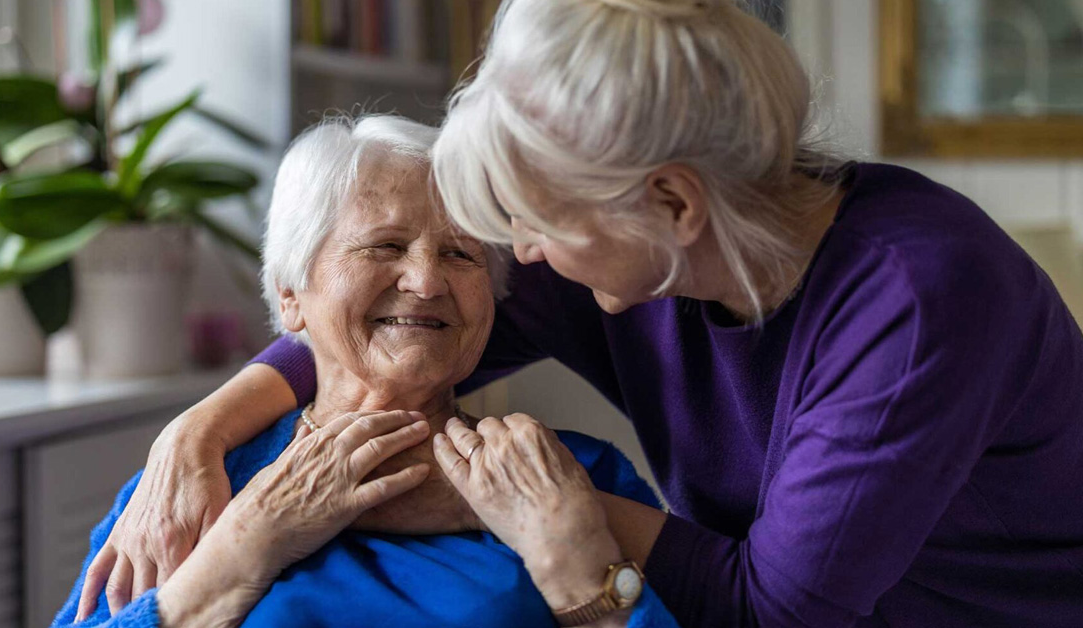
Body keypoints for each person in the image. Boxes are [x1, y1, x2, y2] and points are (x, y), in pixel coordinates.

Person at [81, 1, 1083, 626]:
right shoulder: (202, 492)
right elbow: (385, 324)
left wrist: (535, 522)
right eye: (387, 245)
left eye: (524, 226)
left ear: (675, 204)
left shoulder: (916, 301)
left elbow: (772, 611)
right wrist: (200, 434)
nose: (517, 260)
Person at [62, 114, 675, 628]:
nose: (427, 281)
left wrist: (578, 570)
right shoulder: (194, 488)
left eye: (460, 254)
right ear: (291, 294)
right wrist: (240, 551)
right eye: (383, 246)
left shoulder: (570, 473)